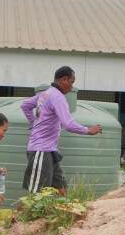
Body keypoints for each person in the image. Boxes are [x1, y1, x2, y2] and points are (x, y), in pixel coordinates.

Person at [20, 66, 103, 195]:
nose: (72, 86)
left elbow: (25, 105)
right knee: (36, 195)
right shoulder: (58, 97)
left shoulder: (45, 94)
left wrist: (34, 123)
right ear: (64, 80)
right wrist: (88, 130)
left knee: (61, 189)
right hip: (40, 151)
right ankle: (25, 215)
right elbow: (68, 124)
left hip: (50, 151)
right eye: (72, 82)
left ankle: (64, 214)